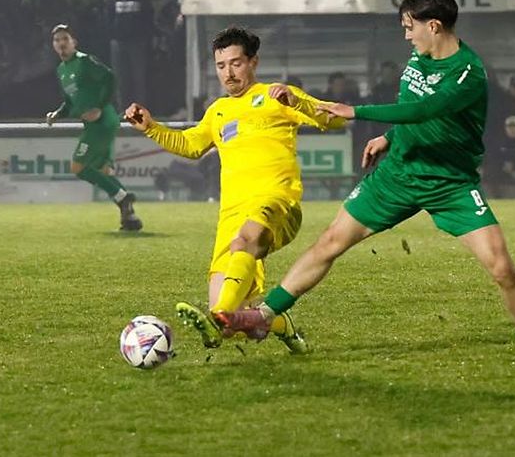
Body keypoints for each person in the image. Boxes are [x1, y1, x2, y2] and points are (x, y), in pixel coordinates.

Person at [212, 0, 515, 368]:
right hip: (398, 174)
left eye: (409, 26)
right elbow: (408, 111)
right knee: (330, 242)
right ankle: (263, 316)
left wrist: (356, 111)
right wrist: (389, 136)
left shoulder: (469, 73)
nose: (406, 34)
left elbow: (426, 109)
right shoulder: (418, 58)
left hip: (448, 183)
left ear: (433, 25)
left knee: (501, 266)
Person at [124, 26, 347, 353]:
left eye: (236, 63)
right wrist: (152, 129)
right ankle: (279, 325)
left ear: (253, 62)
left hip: (276, 201)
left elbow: (336, 119)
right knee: (236, 327)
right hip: (231, 214)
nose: (228, 73)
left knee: (242, 251)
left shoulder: (276, 95)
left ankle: (218, 317)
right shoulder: (218, 111)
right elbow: (190, 145)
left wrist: (298, 102)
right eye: (221, 65)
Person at [45, 24, 143, 231]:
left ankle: (123, 197)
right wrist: (58, 113)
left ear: (74, 43)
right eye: (57, 40)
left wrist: (99, 107)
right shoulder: (62, 70)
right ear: (53, 45)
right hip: (96, 123)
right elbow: (70, 101)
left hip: (102, 121)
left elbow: (110, 78)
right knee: (103, 171)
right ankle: (130, 217)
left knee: (78, 168)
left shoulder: (84, 61)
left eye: (65, 39)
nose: (61, 43)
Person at [107, 0, 153, 110]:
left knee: (139, 78)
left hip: (137, 43)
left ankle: (141, 111)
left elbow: (148, 18)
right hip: (118, 43)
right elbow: (108, 18)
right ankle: (123, 110)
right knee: (120, 78)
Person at [155, 0, 199, 116]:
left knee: (196, 76)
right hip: (178, 45)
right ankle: (180, 106)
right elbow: (159, 19)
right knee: (178, 77)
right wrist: (171, 30)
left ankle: (196, 106)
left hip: (196, 45)